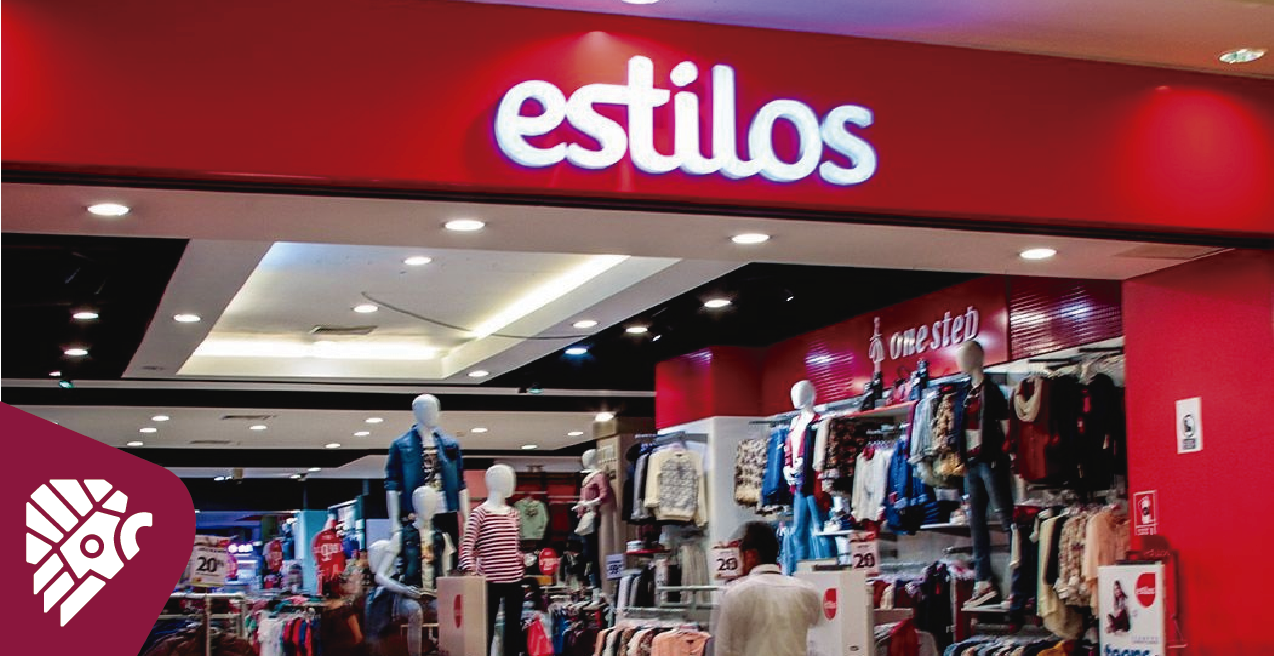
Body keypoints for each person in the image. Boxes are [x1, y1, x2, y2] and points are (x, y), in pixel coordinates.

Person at [713, 522, 821, 656]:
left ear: (750, 555)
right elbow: (816, 633)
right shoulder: (807, 591)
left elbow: (722, 650)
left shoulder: (735, 594)